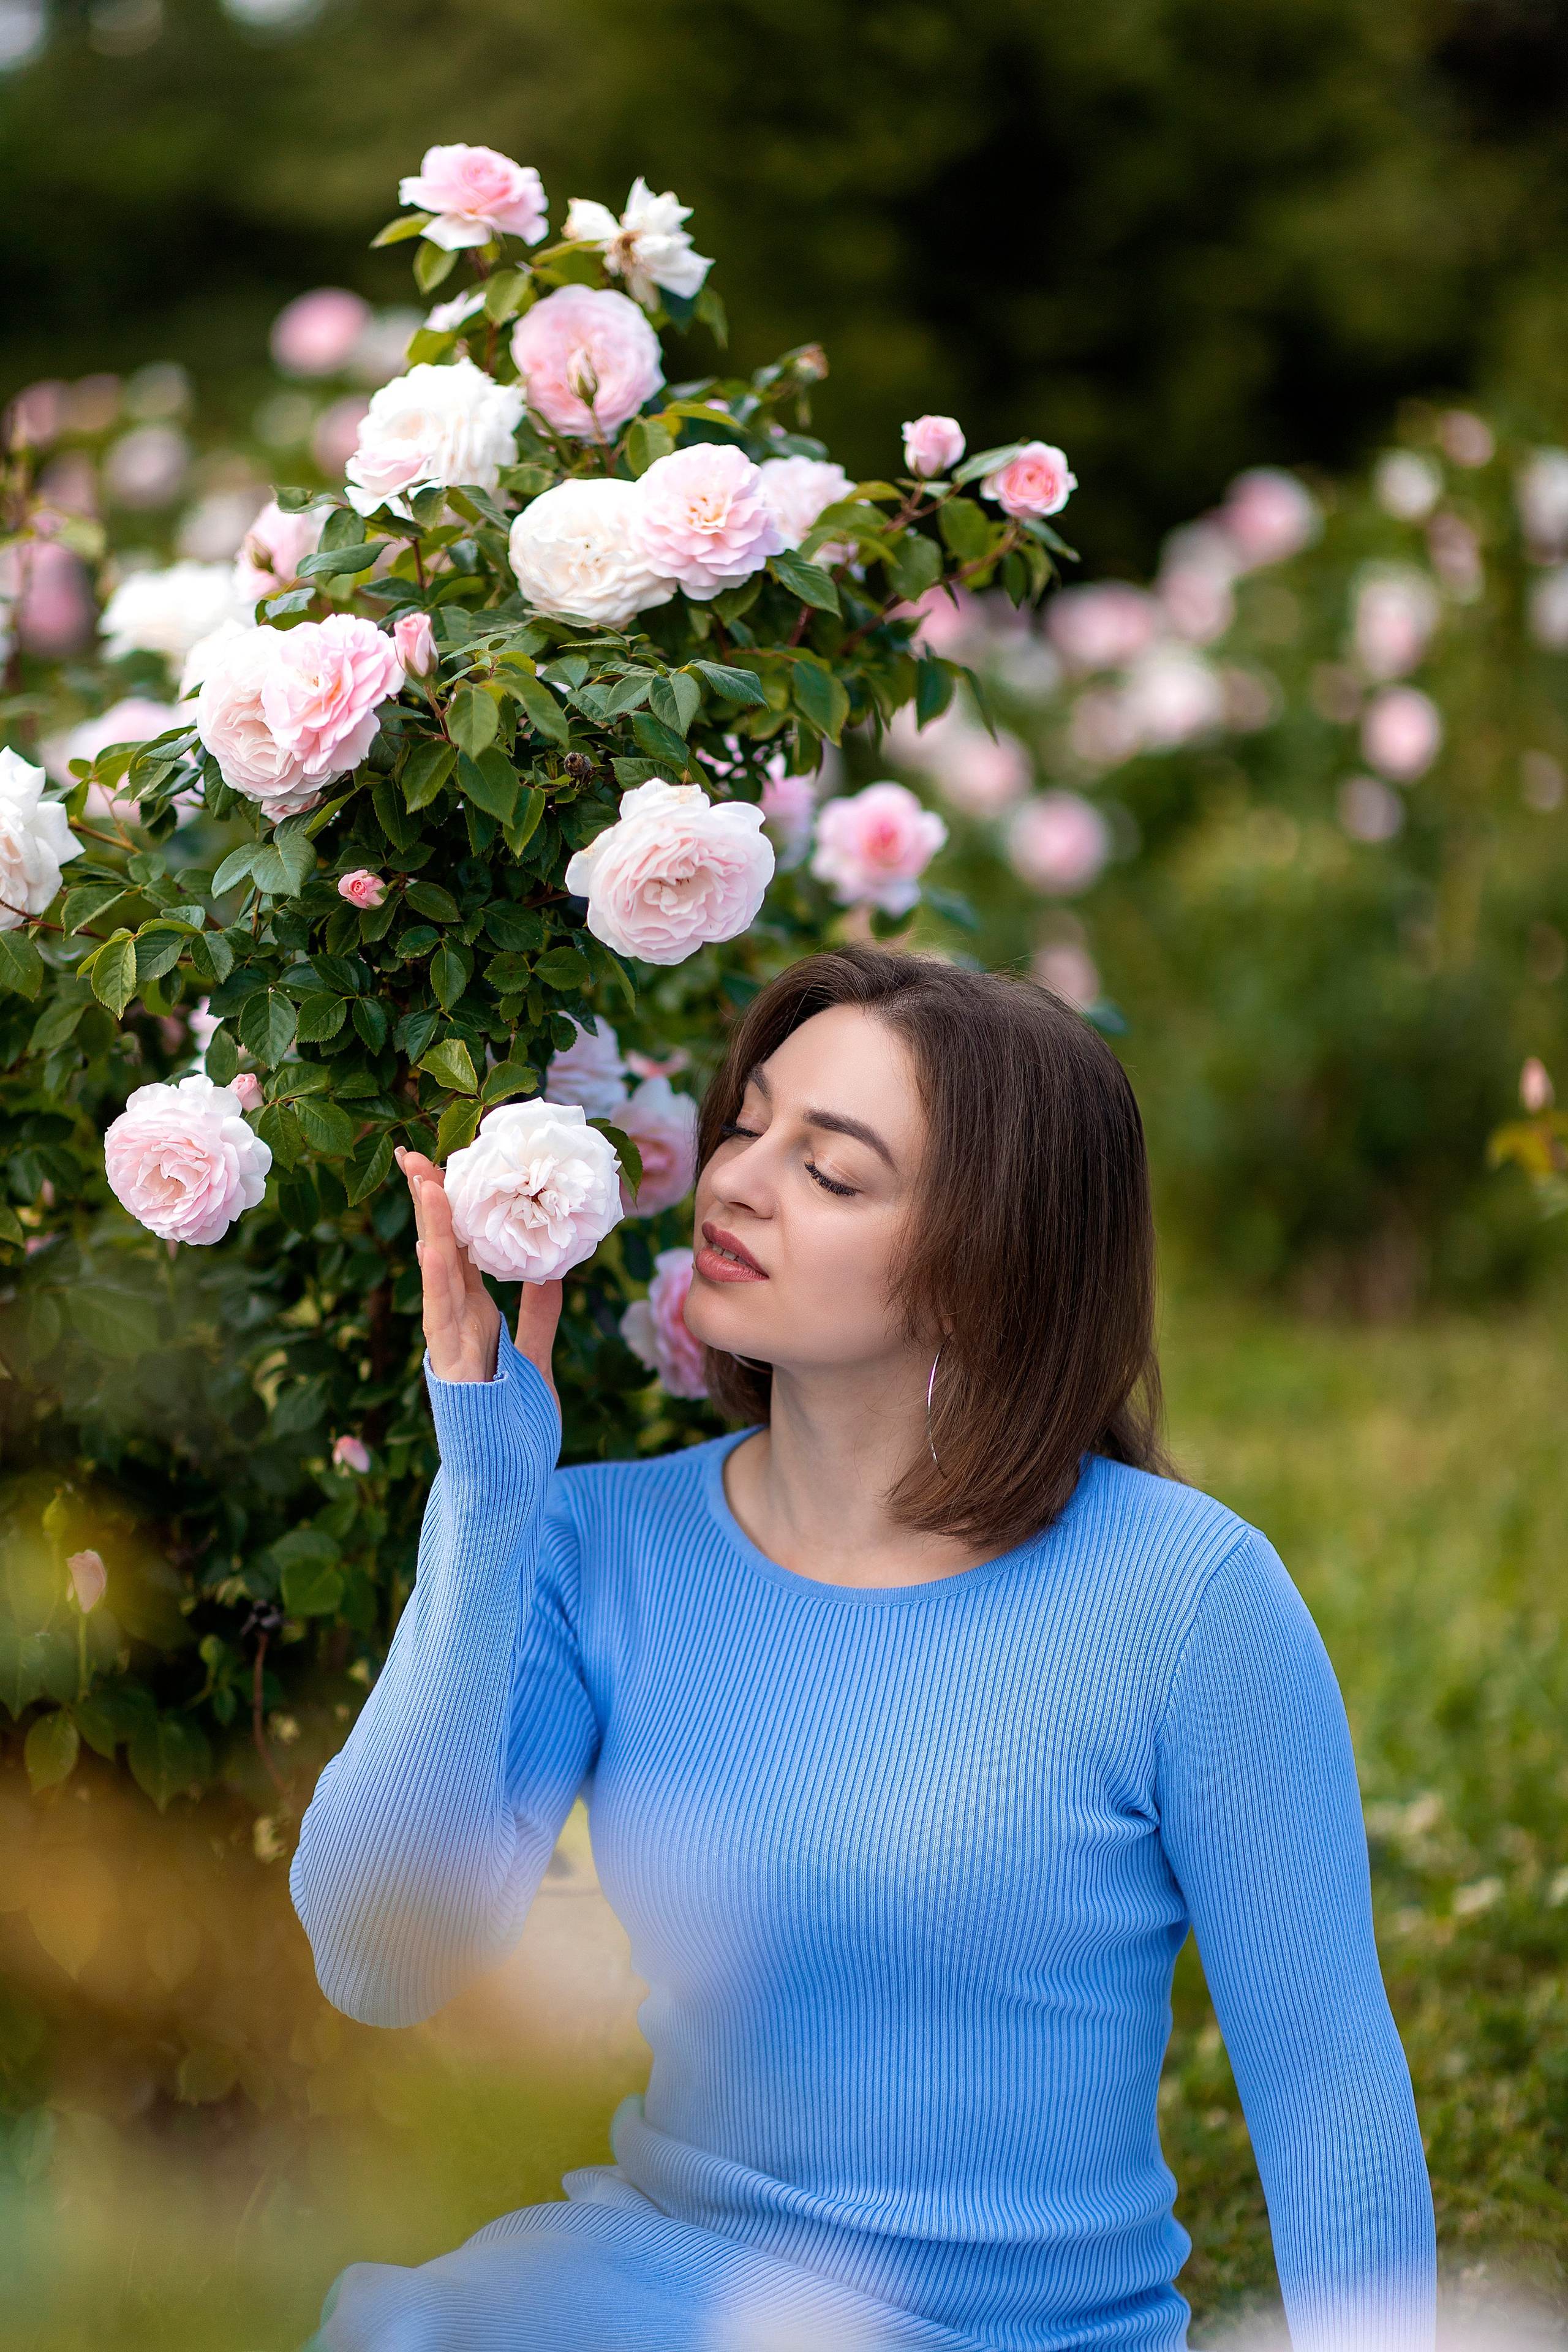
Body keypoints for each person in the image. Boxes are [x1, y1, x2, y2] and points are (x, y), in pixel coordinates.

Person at [292, 946, 1436, 2352]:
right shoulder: (594, 1544)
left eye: (831, 1173)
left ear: (985, 1263)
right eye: (748, 1124)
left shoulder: (1185, 1597)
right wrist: (484, 1499)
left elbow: (1325, 2088)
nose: (735, 1183)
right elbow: (378, 1960)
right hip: (646, 2299)